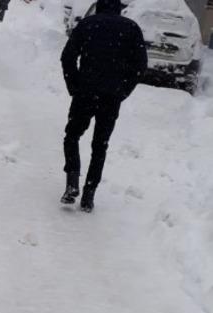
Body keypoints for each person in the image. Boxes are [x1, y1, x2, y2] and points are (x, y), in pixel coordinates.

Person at [59, 0, 147, 212]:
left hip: (85, 92)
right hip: (111, 96)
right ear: (119, 7)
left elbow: (67, 57)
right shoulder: (131, 29)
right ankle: (89, 194)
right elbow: (140, 66)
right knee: (100, 145)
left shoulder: (88, 24)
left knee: (72, 135)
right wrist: (123, 90)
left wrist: (75, 85)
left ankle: (72, 182)